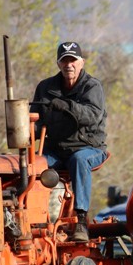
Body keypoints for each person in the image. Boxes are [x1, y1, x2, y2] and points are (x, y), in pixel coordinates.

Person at [31, 41, 107, 242]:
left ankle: (81, 220)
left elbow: (91, 115)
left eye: (73, 60)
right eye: (64, 60)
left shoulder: (92, 86)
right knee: (31, 166)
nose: (69, 65)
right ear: (58, 64)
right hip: (56, 151)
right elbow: (35, 120)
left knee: (79, 160)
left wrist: (66, 106)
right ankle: (35, 220)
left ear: (81, 62)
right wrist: (24, 131)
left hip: (88, 147)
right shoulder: (45, 87)